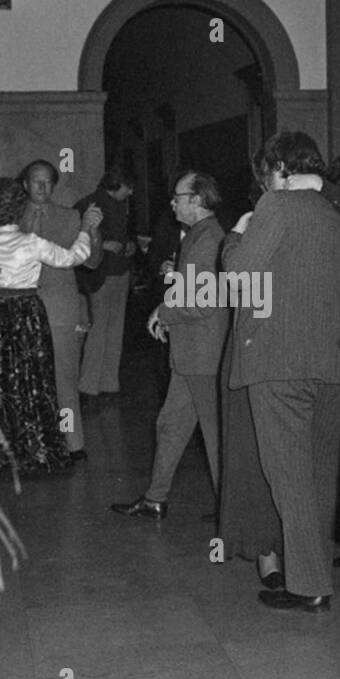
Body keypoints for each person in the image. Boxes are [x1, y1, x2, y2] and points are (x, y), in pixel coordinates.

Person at [224, 132, 340, 613]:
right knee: (321, 476)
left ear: (278, 168)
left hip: (278, 362)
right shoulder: (339, 219)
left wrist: (237, 236)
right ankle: (316, 571)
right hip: (334, 364)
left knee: (290, 476)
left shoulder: (276, 207)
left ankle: (308, 585)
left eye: (266, 174)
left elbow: (239, 281)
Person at [0, 177, 101, 475]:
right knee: (33, 381)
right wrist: (86, 231)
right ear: (18, 209)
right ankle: (37, 450)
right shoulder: (30, 242)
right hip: (26, 313)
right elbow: (73, 257)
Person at [110, 172, 227, 520]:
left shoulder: (209, 239)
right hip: (190, 352)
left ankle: (230, 509)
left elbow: (205, 302)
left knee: (214, 436)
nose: (172, 202)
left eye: (178, 196)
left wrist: (164, 311)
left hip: (202, 354)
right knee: (171, 425)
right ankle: (155, 498)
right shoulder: (199, 236)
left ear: (196, 200)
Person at [19, 160, 98, 461]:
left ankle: (72, 442)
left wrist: (93, 230)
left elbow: (91, 262)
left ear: (54, 186)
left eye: (47, 182)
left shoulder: (70, 217)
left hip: (61, 311)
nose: (41, 187)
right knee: (27, 380)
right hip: (22, 310)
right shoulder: (10, 219)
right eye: (35, 181)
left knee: (65, 381)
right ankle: (34, 443)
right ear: (25, 184)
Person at [77, 169, 135, 397]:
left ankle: (109, 381)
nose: (131, 192)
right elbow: (77, 240)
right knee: (99, 328)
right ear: (116, 184)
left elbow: (125, 234)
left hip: (121, 271)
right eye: (128, 187)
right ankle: (88, 384)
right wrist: (105, 245)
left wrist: (130, 243)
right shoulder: (87, 204)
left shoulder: (123, 205)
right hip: (102, 275)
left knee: (115, 329)